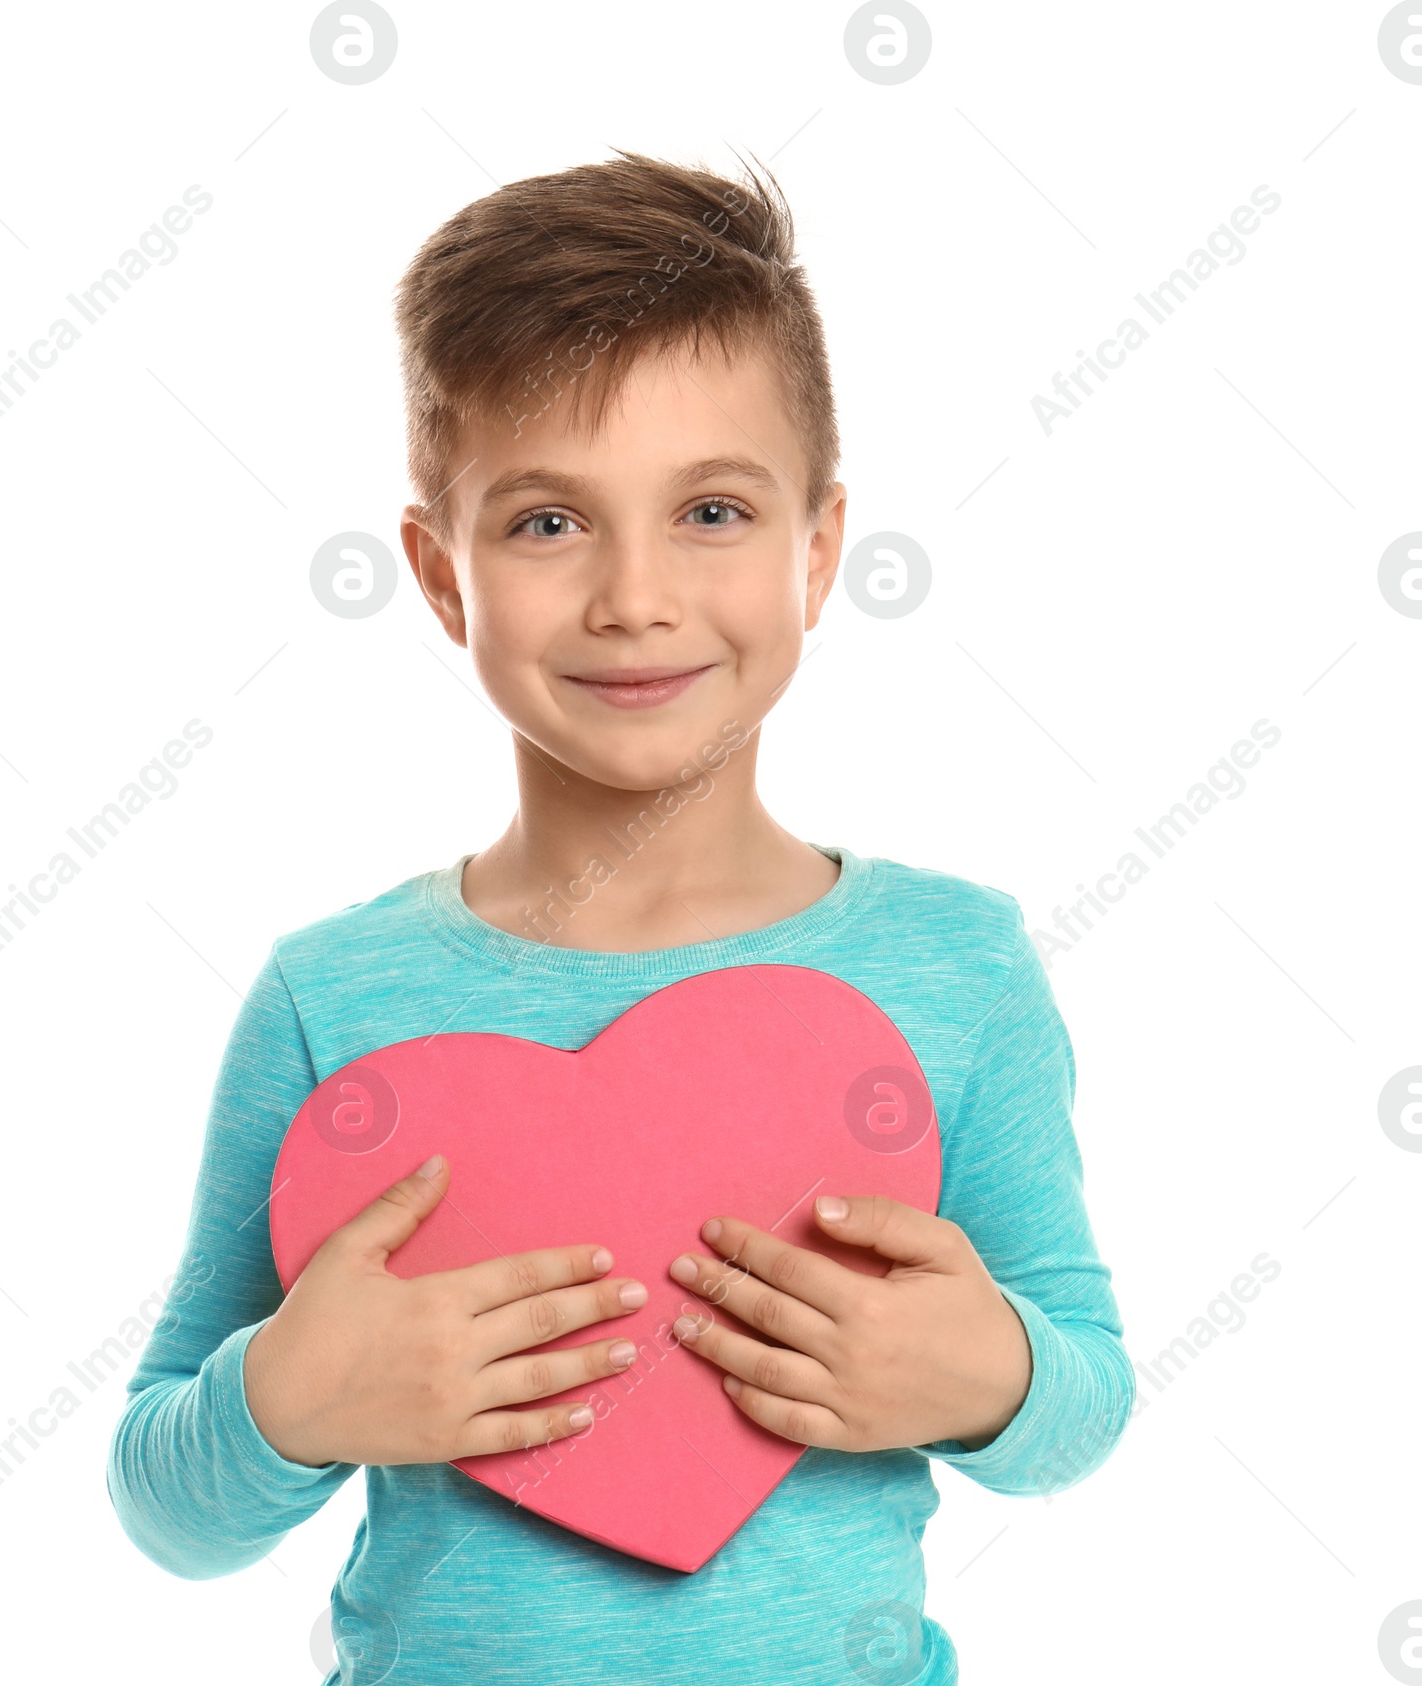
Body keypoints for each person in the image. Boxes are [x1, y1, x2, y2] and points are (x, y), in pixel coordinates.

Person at [107, 150, 1134, 1686]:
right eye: (545, 525)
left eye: (711, 508)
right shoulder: (336, 1001)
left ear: (821, 547)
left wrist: (991, 1376)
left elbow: (1083, 1397)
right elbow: (166, 1505)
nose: (635, 596)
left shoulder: (958, 970)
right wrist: (283, 1404)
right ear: (441, 576)